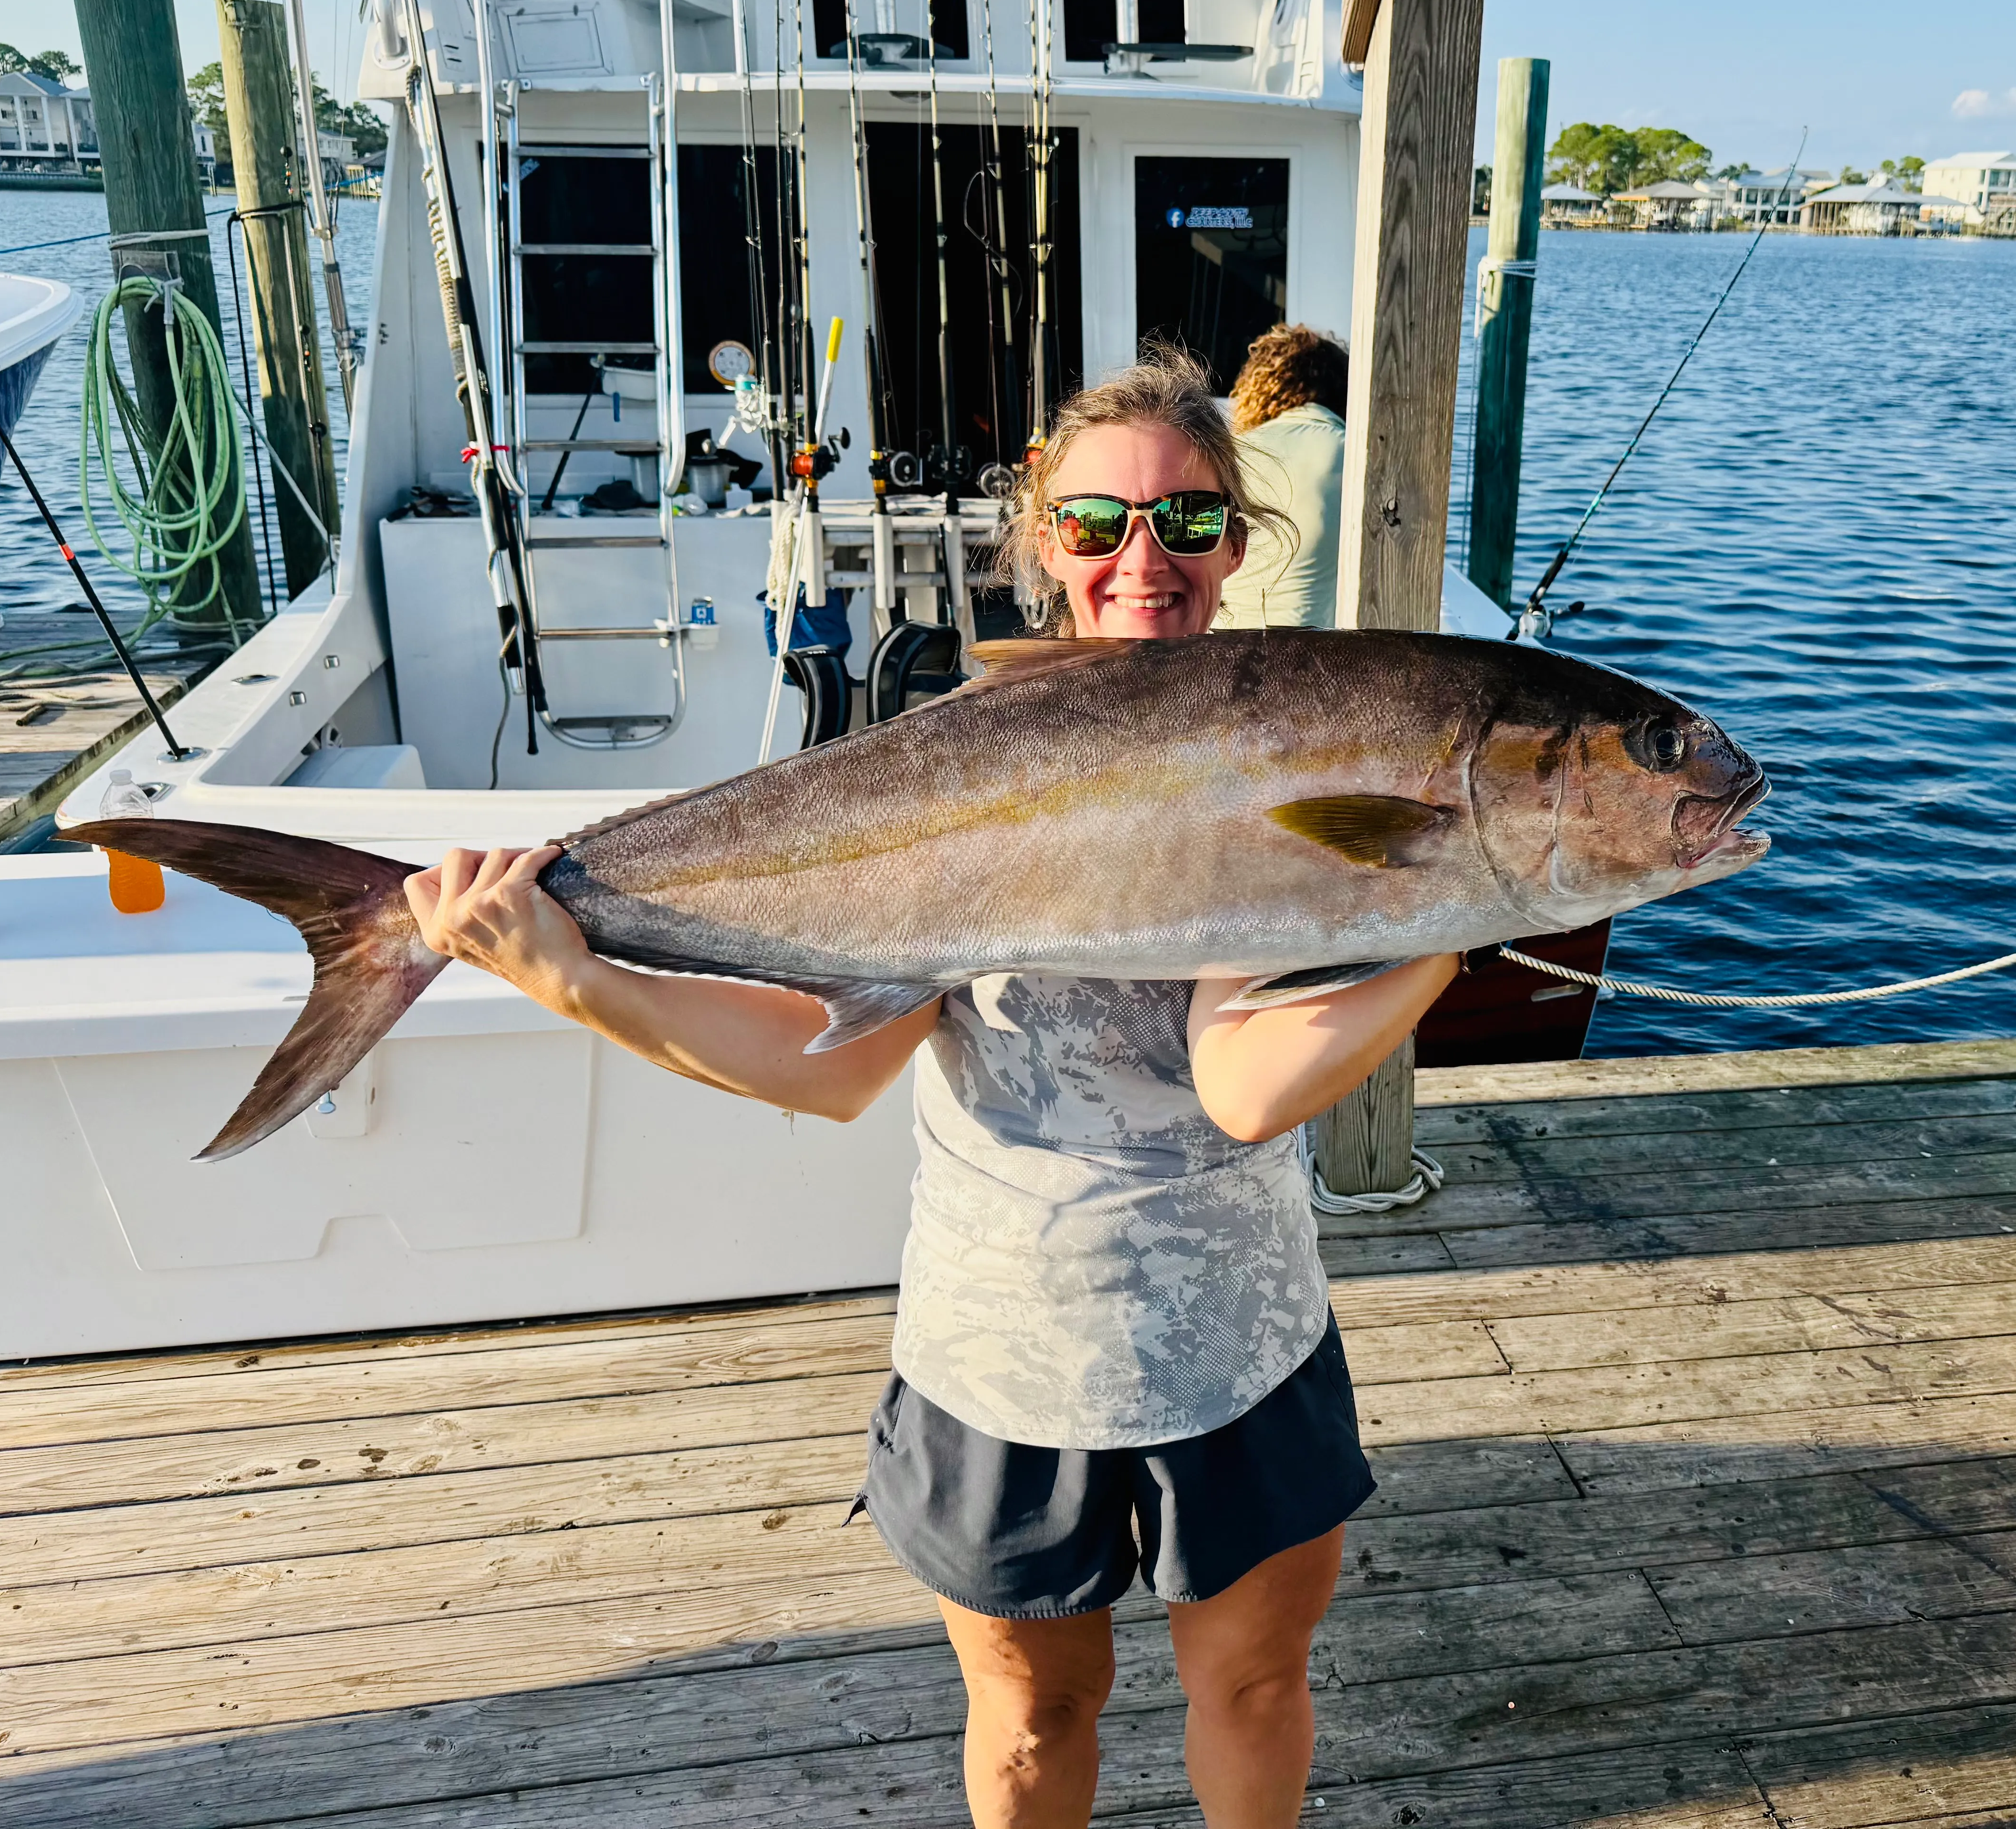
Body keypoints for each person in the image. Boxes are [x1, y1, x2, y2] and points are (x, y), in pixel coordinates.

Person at [403, 348, 1455, 1829]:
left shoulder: (1293, 758)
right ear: (1043, 541)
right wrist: (573, 972)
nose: (1141, 560)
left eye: (1186, 521)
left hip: (1240, 1342)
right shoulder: (947, 769)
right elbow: (821, 1074)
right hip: (1000, 1353)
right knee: (1031, 1721)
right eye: (1096, 525)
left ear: (1239, 537)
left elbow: (1242, 1081)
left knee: (1257, 1690)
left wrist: (1441, 921)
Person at [1210, 323, 1347, 630]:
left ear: (1260, 390)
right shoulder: (1352, 453)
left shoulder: (1227, 455)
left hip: (1219, 654)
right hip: (1315, 662)